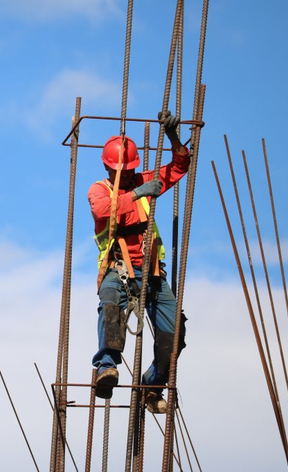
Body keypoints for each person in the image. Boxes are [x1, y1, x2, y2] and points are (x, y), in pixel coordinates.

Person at [87, 111, 188, 413]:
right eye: (123, 170)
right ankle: (107, 366)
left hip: (153, 274)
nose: (129, 175)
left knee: (174, 340)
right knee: (110, 303)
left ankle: (151, 385)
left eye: (131, 170)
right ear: (108, 166)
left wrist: (173, 137)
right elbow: (104, 210)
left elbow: (179, 167)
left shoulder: (144, 181)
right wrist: (137, 192)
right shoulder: (99, 190)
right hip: (118, 270)